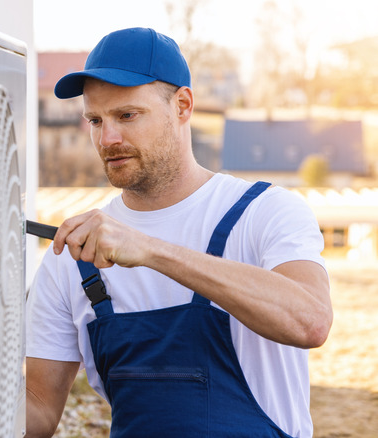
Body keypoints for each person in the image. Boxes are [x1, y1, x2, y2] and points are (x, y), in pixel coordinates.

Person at [25, 27, 332, 438]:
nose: (107, 138)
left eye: (127, 115)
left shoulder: (264, 211)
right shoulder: (71, 256)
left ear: (183, 106)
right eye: (95, 120)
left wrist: (151, 250)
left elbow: (310, 321)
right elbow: (39, 410)